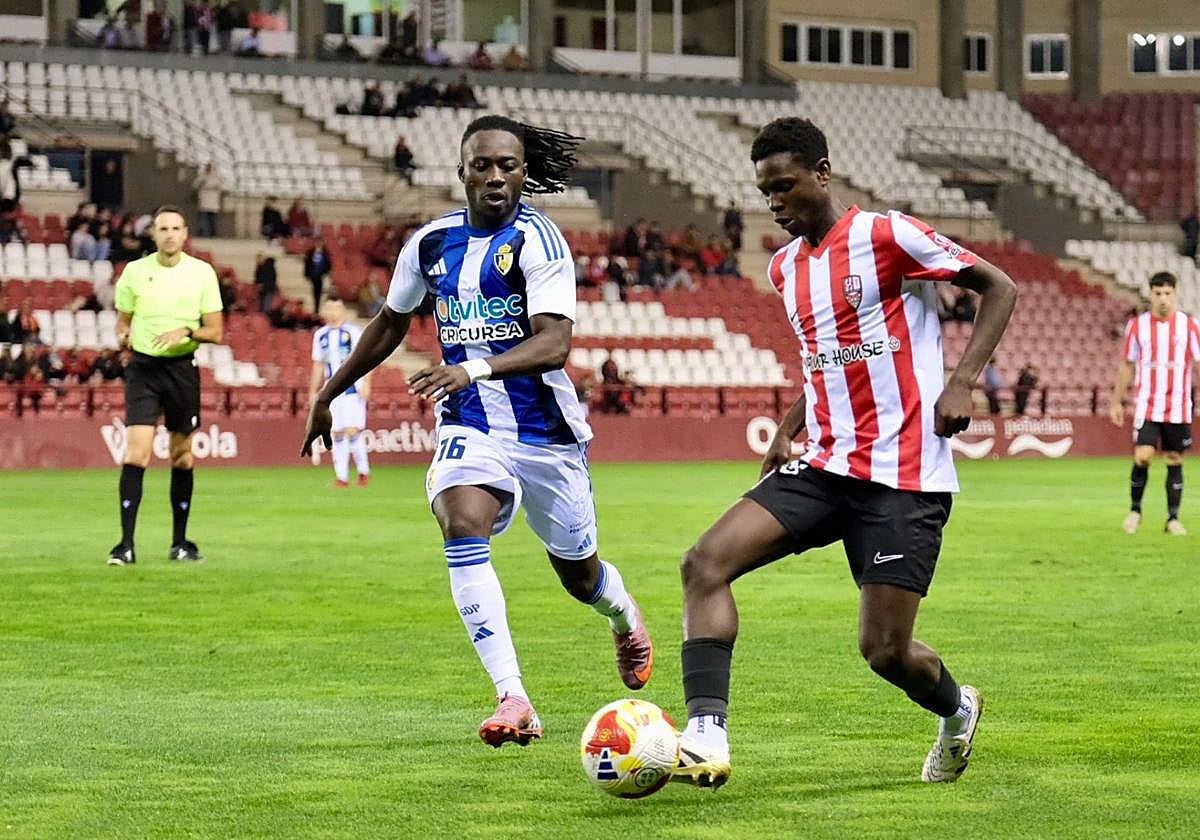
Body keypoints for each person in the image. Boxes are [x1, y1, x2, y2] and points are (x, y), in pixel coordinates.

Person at [669, 117, 1017, 789]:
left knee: (885, 652)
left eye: (786, 186)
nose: (775, 202)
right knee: (704, 563)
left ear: (822, 174)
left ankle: (956, 709)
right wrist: (787, 426)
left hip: (904, 475)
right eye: (765, 191)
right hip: (827, 464)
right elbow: (824, 357)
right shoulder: (784, 267)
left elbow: (1000, 286)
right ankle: (705, 737)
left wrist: (962, 380)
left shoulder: (889, 236)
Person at [301, 114, 654, 748]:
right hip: (469, 425)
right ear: (461, 171)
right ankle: (513, 696)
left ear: (523, 174)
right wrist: (330, 390)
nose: (495, 177)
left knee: (580, 577)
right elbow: (389, 322)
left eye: (508, 166)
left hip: (545, 432)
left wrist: (472, 366)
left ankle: (623, 614)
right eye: (482, 165)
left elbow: (555, 343)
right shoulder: (430, 244)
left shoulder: (541, 242)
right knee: (460, 519)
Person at [108, 206, 224, 566]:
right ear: (153, 234)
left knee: (182, 455)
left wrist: (186, 331)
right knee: (136, 453)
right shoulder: (135, 272)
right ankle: (125, 545)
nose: (170, 234)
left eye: (176, 227)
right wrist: (123, 335)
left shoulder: (202, 273)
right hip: (143, 369)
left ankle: (180, 544)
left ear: (185, 233)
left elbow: (216, 332)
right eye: (163, 228)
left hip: (181, 370)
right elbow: (123, 320)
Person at [1109, 271, 1200, 536]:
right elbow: (1127, 365)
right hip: (1147, 405)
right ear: (1150, 294)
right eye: (1158, 293)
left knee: (1174, 459)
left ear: (1175, 294)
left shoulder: (1190, 326)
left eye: (1168, 293)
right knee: (1143, 456)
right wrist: (1117, 402)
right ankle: (1135, 511)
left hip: (1179, 406)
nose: (1163, 299)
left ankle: (1173, 519)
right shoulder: (1137, 326)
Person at [309, 298, 371, 488]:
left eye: (336, 308)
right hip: (331, 389)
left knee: (353, 430)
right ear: (323, 312)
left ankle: (363, 472)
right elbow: (318, 363)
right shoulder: (320, 335)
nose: (333, 312)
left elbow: (367, 359)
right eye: (329, 308)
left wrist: (367, 383)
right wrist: (313, 390)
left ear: (343, 310)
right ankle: (342, 478)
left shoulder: (354, 332)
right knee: (336, 432)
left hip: (353, 387)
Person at [304, 237, 333, 312]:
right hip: (313, 274)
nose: (318, 244)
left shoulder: (325, 252)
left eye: (320, 242)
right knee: (315, 290)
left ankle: (317, 306)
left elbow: (328, 263)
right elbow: (307, 263)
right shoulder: (310, 252)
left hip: (321, 274)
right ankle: (316, 305)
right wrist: (306, 274)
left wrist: (326, 271)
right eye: (317, 242)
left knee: (318, 290)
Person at [194, 163, 222, 237]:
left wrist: (212, 187)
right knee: (203, 219)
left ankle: (213, 233)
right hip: (204, 201)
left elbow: (220, 187)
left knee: (213, 220)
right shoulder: (202, 176)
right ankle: (202, 233)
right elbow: (196, 185)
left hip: (213, 203)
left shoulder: (216, 177)